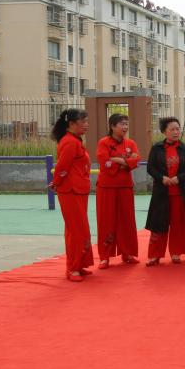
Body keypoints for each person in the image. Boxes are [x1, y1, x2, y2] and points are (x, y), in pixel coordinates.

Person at [145, 117, 185, 266]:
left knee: (178, 224)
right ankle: (154, 255)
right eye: (172, 129)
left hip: (180, 194)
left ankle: (176, 253)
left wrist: (178, 178)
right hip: (161, 193)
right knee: (158, 225)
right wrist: (162, 178)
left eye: (177, 129)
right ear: (164, 131)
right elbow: (150, 168)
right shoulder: (156, 148)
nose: (176, 132)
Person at [49, 108, 94, 282]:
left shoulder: (75, 140)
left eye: (87, 121)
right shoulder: (70, 142)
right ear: (71, 124)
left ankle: (79, 264)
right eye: (83, 121)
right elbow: (62, 167)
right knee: (76, 230)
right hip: (71, 191)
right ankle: (73, 268)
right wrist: (56, 182)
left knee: (79, 229)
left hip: (78, 190)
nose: (86, 125)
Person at [95, 113, 140, 269]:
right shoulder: (103, 142)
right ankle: (104, 257)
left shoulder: (131, 143)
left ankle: (127, 253)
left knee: (127, 220)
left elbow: (136, 160)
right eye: (122, 124)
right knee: (106, 221)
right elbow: (104, 162)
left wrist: (118, 160)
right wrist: (126, 162)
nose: (125, 127)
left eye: (126, 124)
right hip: (106, 187)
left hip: (125, 186)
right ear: (112, 126)